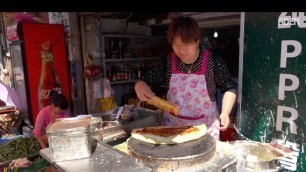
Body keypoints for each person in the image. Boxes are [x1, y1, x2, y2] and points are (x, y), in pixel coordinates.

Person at [134, 16, 237, 140]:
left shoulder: (212, 61)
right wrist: (140, 87)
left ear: (197, 41)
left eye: (186, 44)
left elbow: (229, 88)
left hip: (205, 129)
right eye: (176, 44)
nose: (181, 50)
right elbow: (144, 81)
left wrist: (225, 112)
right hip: (173, 130)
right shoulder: (168, 61)